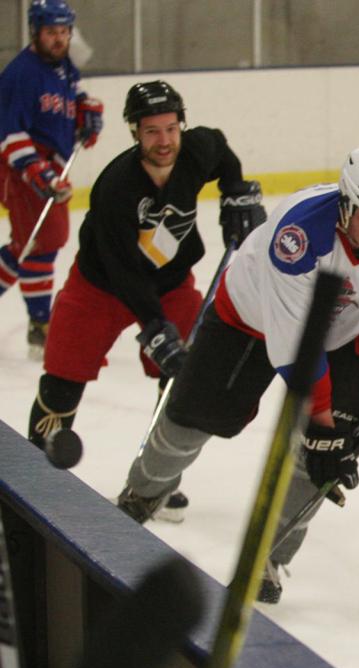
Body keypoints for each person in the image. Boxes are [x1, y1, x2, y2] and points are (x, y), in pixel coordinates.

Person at [114, 145, 359, 604]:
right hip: (249, 319)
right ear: (346, 205)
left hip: (350, 334)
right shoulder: (300, 231)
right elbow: (294, 346)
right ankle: (145, 490)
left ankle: (269, 557)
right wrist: (323, 421)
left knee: (321, 457)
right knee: (196, 414)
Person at [26, 79, 264, 520]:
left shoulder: (194, 150)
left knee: (182, 379)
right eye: (152, 131)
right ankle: (35, 478)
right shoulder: (116, 186)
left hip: (171, 284)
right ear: (135, 132)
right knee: (62, 377)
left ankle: (155, 481)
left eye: (171, 128)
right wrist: (155, 329)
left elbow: (221, 150)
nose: (164, 140)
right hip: (102, 285)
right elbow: (124, 271)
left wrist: (235, 190)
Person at [0, 0, 103, 358]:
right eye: (51, 32)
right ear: (36, 32)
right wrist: (36, 171)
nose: (59, 39)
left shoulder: (63, 67)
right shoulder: (21, 74)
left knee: (30, 244)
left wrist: (86, 110)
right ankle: (40, 325)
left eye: (63, 32)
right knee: (42, 239)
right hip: (21, 166)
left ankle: (38, 324)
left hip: (48, 165)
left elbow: (73, 93)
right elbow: (8, 130)